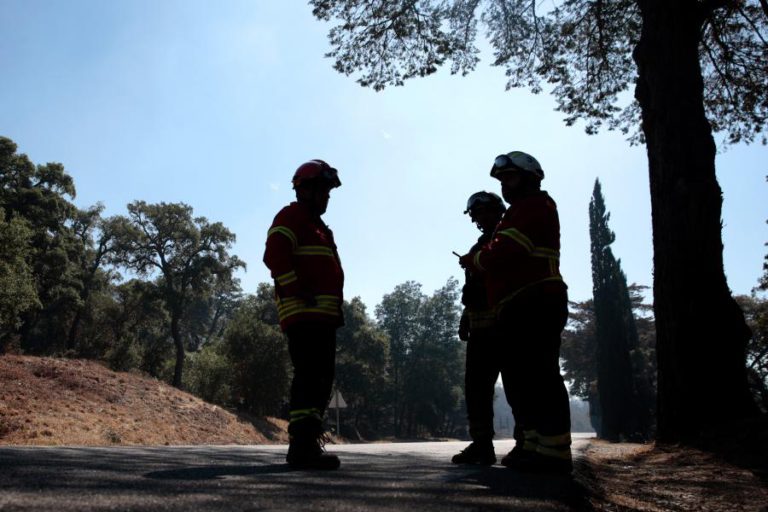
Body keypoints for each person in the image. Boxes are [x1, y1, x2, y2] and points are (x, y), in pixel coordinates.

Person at [459, 151, 572, 474]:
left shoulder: (534, 206)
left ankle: (553, 452)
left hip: (535, 301)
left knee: (539, 375)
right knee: (524, 380)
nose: (506, 186)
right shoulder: (516, 215)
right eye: (502, 180)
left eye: (510, 178)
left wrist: (477, 260)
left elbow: (506, 252)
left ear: (530, 177)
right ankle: (536, 447)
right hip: (515, 308)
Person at [263, 159, 344, 470]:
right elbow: (274, 256)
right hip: (304, 313)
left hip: (322, 316)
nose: (327, 198)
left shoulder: (319, 227)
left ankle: (308, 441)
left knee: (321, 379)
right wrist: (297, 290)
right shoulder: (292, 216)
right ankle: (301, 445)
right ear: (306, 190)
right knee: (310, 377)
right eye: (323, 191)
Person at [452, 192, 506, 466]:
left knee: (517, 386)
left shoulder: (506, 240)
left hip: (507, 328)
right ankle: (482, 444)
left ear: (498, 211)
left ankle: (527, 443)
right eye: (477, 214)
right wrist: (465, 317)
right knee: (475, 389)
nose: (481, 218)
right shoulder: (478, 247)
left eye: (486, 212)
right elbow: (474, 289)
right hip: (480, 332)